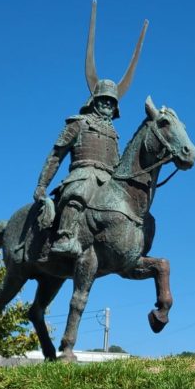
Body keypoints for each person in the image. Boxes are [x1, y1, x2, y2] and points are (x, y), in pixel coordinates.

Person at [32, 79, 121, 259]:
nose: (108, 104)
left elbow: (117, 163)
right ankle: (64, 237)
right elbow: (56, 155)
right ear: (94, 100)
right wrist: (42, 185)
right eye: (104, 99)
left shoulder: (114, 134)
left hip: (107, 179)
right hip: (82, 173)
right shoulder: (79, 123)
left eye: (112, 101)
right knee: (80, 191)